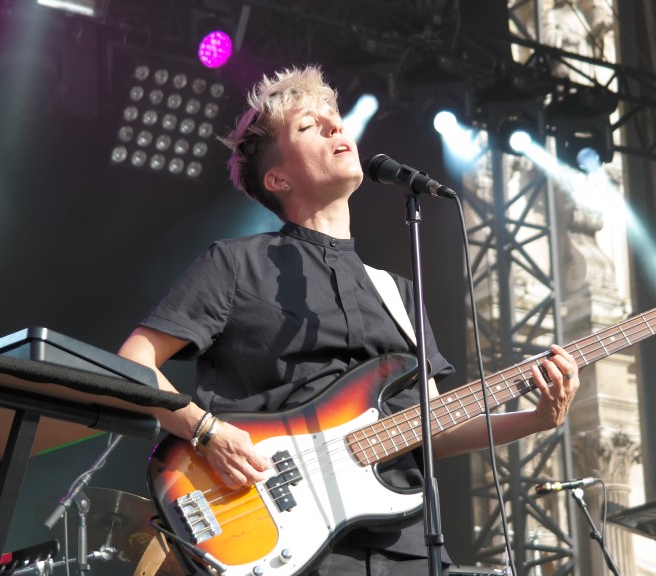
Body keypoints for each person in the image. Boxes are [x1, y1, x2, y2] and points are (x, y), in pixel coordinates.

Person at [117, 65, 580, 576]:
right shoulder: (235, 264)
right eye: (308, 126)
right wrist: (207, 432)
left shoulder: (397, 292)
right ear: (278, 178)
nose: (336, 126)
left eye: (334, 117)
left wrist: (537, 419)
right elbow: (134, 363)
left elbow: (432, 426)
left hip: (407, 546)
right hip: (282, 540)